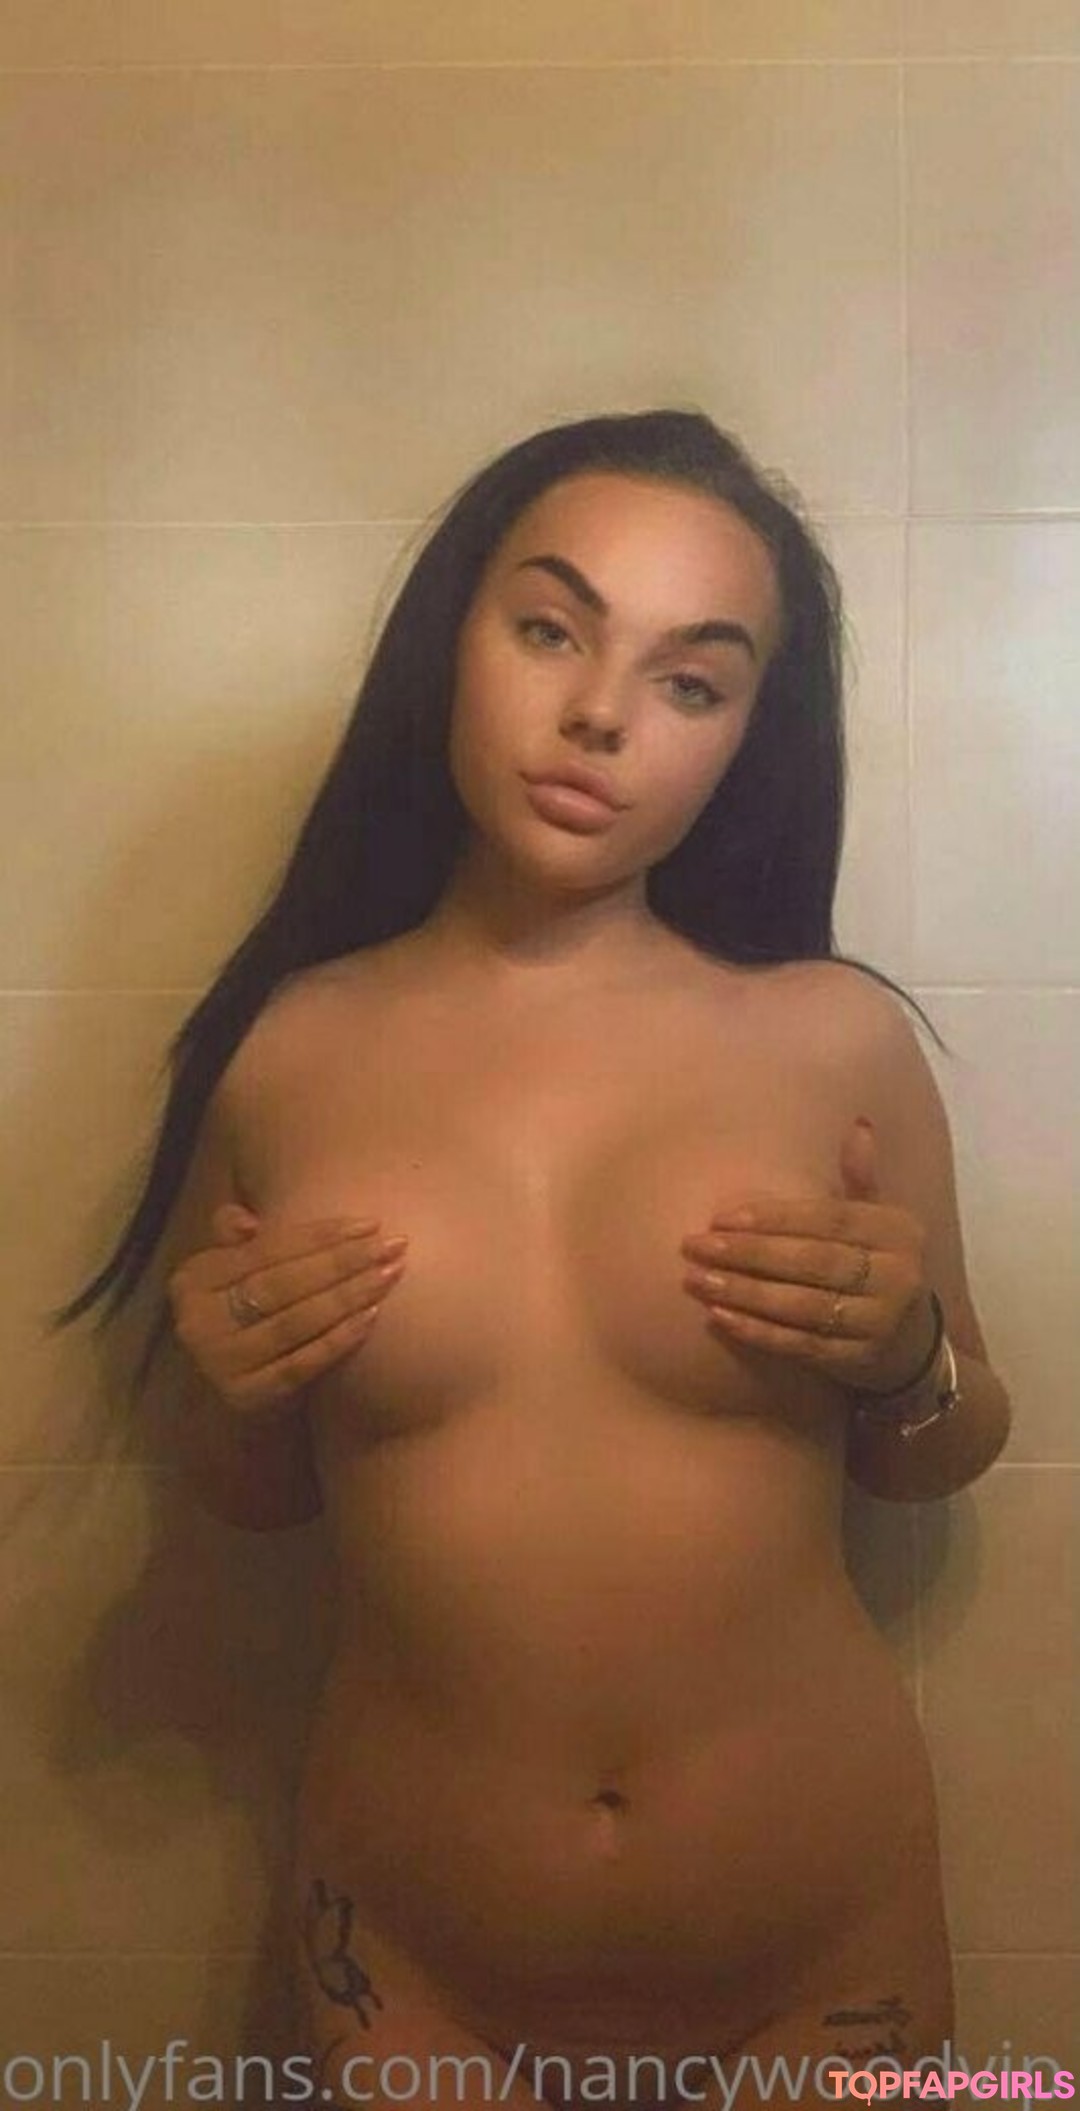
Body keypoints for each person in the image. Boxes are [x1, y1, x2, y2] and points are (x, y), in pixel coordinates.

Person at [50, 409, 1013, 2110]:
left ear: (745, 739)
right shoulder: (288, 1052)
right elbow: (251, 1498)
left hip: (826, 1955)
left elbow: (943, 1449)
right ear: (454, 641)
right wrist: (227, 1390)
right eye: (553, 630)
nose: (602, 715)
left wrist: (908, 1353)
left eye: (690, 681)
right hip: (411, 1968)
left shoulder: (834, 1042)